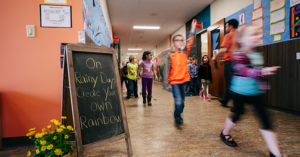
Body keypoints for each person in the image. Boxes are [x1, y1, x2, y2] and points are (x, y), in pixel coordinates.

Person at [219, 25, 284, 157]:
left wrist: (261, 83)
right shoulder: (238, 55)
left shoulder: (258, 56)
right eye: (251, 34)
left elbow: (257, 74)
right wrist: (262, 71)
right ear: (241, 40)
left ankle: (275, 153)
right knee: (237, 115)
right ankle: (225, 133)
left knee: (265, 119)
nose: (256, 37)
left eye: (257, 34)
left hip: (254, 92)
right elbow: (243, 70)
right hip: (238, 91)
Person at [163, 19, 197, 124]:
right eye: (178, 40)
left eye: (182, 40)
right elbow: (166, 69)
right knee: (178, 100)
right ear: (173, 43)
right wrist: (165, 83)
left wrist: (192, 28)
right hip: (174, 82)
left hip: (184, 80)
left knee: (182, 102)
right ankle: (177, 116)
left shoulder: (184, 52)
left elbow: (190, 41)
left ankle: (178, 112)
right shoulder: (170, 54)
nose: (180, 42)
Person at [212, 19, 239, 109]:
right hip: (240, 63)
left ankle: (238, 106)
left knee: (231, 84)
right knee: (233, 83)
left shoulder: (229, 35)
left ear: (230, 26)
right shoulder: (239, 35)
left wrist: (215, 57)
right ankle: (224, 100)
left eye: (226, 26)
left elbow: (223, 50)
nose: (226, 28)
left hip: (230, 63)